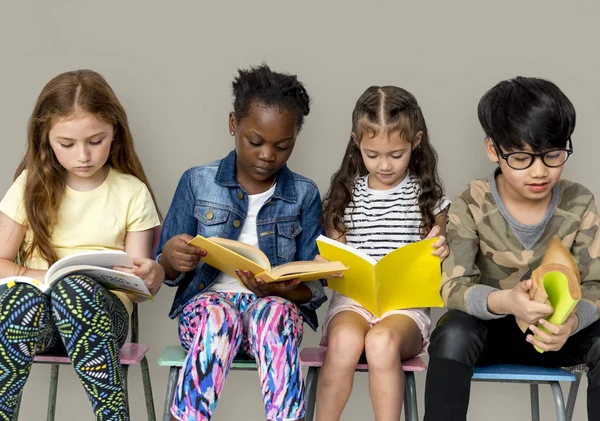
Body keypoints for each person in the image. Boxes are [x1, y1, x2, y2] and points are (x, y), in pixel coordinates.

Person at [424, 76, 600, 421]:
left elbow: (595, 286)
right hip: (490, 331)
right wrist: (506, 301)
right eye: (521, 157)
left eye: (553, 155)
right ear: (494, 149)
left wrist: (572, 322)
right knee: (452, 331)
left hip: (558, 335)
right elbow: (454, 288)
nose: (539, 171)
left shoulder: (580, 201)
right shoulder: (471, 201)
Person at [156, 64, 326, 421]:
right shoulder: (197, 182)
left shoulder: (304, 195)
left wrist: (281, 291)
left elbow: (314, 288)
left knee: (274, 313)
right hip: (207, 314)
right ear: (234, 125)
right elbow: (165, 270)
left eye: (283, 146)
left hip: (273, 314)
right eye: (256, 142)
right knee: (220, 314)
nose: (268, 155)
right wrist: (172, 256)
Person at [0, 69, 163, 421]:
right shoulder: (30, 186)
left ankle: (112, 415)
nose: (84, 156)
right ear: (46, 138)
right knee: (15, 297)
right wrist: (42, 277)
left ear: (115, 132)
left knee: (75, 290)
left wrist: (149, 274)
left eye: (96, 140)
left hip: (103, 319)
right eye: (67, 144)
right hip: (36, 322)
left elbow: (135, 287)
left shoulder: (131, 192)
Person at [316, 86, 449, 421]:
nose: (385, 165)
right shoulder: (343, 198)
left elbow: (438, 256)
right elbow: (337, 259)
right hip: (353, 304)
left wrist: (442, 248)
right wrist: (326, 264)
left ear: (416, 142)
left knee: (381, 343)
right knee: (345, 341)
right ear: (356, 143)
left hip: (404, 311)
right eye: (372, 155)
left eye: (396, 154)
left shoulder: (428, 199)